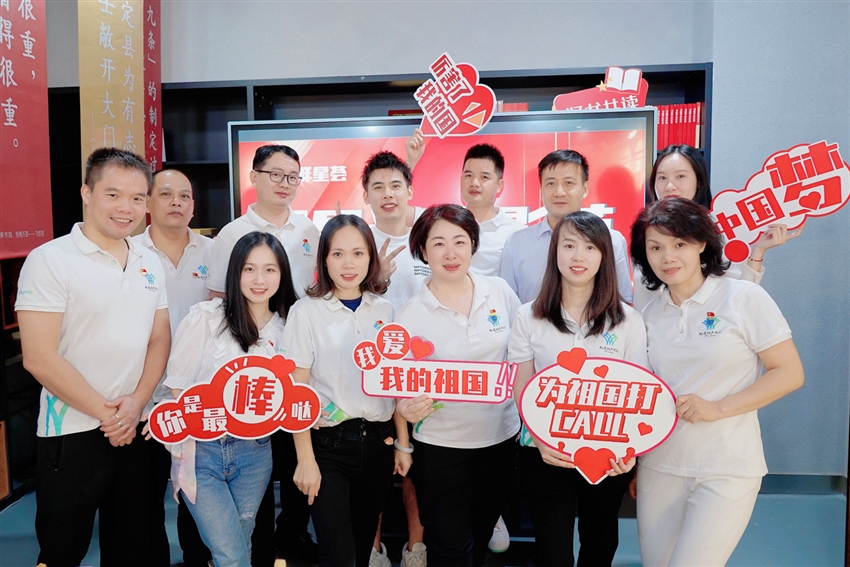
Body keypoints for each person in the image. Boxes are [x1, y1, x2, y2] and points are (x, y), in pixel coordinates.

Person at [16, 148, 170, 567]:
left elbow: (159, 338)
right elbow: (39, 357)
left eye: (137, 198)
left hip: (136, 425)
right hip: (72, 431)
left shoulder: (149, 260)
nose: (126, 208)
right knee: (62, 549)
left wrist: (137, 403)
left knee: (135, 547)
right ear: (87, 193)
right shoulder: (50, 260)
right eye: (113, 194)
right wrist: (109, 415)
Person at [630, 197, 804, 566]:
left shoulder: (742, 297)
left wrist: (718, 408)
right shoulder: (647, 316)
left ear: (701, 243)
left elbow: (789, 372)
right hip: (659, 466)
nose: (667, 257)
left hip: (727, 466)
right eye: (655, 247)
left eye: (679, 243)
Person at [508, 211, 642, 567]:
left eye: (589, 247)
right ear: (554, 252)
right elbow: (523, 387)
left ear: (604, 256)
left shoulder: (628, 320)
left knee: (600, 542)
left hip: (607, 453)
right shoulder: (528, 316)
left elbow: (636, 390)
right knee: (552, 551)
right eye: (568, 246)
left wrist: (629, 451)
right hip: (545, 451)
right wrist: (540, 440)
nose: (578, 256)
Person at [395, 204, 521, 567]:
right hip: (440, 447)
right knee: (449, 545)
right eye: (438, 243)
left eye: (459, 241)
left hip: (499, 440)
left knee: (481, 533)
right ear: (422, 250)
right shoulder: (408, 315)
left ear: (473, 245)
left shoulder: (499, 291)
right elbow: (399, 385)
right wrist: (404, 410)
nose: (450, 253)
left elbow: (522, 353)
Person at [164, 231, 298, 567]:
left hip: (256, 451)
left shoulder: (288, 328)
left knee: (241, 540)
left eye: (269, 270)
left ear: (282, 274)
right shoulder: (207, 317)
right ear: (235, 272)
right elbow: (178, 385)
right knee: (231, 552)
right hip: (202, 449)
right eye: (249, 269)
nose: (259, 279)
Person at [283, 215, 402, 567]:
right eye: (337, 254)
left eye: (358, 253)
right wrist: (305, 459)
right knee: (339, 556)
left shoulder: (386, 310)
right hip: (328, 447)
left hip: (379, 444)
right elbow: (296, 391)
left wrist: (402, 443)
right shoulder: (305, 312)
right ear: (324, 259)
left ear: (370, 258)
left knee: (363, 549)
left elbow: (395, 382)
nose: (348, 264)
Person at [133, 168, 215, 567]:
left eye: (184, 195)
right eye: (166, 194)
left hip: (198, 396)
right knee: (144, 497)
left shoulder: (213, 251)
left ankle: (197, 560)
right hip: (143, 393)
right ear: (148, 202)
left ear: (193, 205)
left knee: (195, 494)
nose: (176, 202)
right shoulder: (129, 251)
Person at [361, 151, 429, 567]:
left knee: (418, 464)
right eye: (378, 187)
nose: (388, 194)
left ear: (409, 191)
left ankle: (415, 547)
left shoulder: (428, 238)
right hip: (370, 370)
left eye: (395, 186)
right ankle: (373, 548)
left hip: (422, 370)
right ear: (366, 195)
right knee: (373, 466)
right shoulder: (357, 241)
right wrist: (376, 279)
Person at [633, 144, 803, 311]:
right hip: (658, 325)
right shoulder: (646, 230)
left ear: (699, 181)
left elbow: (741, 298)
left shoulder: (721, 227)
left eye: (680, 176)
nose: (670, 186)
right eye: (662, 178)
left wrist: (758, 251)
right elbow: (643, 296)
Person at [500, 150, 633, 305]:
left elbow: (623, 302)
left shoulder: (612, 240)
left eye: (568, 183)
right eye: (551, 183)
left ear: (585, 188)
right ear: (541, 190)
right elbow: (507, 305)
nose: (559, 192)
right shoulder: (517, 243)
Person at [406, 130, 524, 278]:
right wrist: (410, 162)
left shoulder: (515, 232)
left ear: (499, 185)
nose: (474, 183)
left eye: (484, 177)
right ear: (461, 180)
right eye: (468, 175)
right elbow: (397, 209)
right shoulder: (442, 220)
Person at [208, 144, 319, 298]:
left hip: (303, 313)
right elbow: (218, 294)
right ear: (254, 177)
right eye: (276, 174)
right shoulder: (231, 234)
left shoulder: (308, 229)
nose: (285, 184)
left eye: (292, 177)